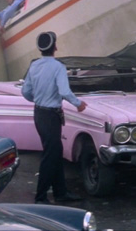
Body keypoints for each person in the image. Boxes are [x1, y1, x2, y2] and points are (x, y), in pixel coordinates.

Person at [21, 31, 88, 204]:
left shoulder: (34, 65)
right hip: (51, 115)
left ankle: (60, 192)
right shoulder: (58, 67)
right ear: (55, 47)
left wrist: (38, 99)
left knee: (55, 151)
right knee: (51, 155)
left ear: (40, 49)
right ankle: (40, 196)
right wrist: (78, 103)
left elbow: (25, 91)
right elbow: (64, 91)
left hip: (39, 113)